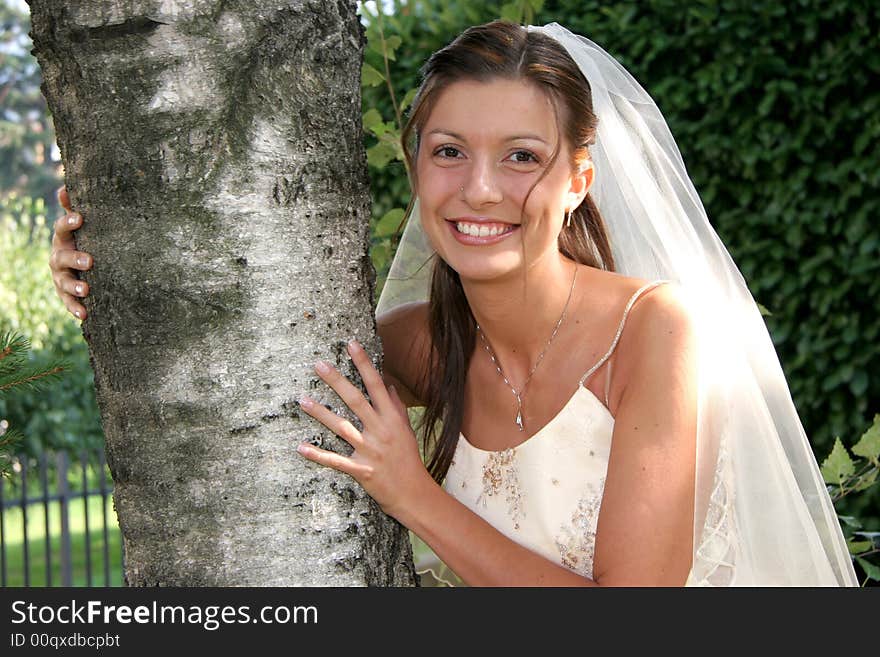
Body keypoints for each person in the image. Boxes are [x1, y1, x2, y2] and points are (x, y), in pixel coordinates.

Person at [49, 21, 856, 586]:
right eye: (449, 152)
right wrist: (112, 279)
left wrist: (414, 495)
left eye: (522, 157)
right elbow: (247, 347)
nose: (479, 188)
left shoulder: (655, 331)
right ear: (414, 167)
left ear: (579, 179)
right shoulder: (423, 347)